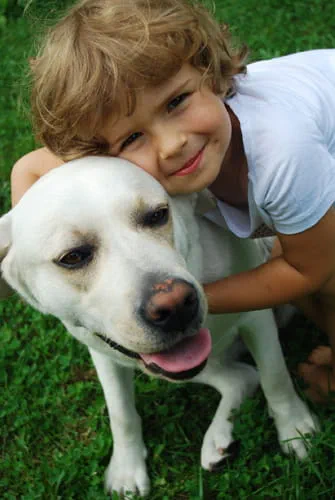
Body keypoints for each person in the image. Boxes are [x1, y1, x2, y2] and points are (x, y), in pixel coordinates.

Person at [10, 0, 335, 403]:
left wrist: (194, 296)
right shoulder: (156, 145)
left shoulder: (283, 154)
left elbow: (310, 270)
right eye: (132, 138)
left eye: (176, 101)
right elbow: (28, 165)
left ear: (210, 72)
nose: (171, 144)